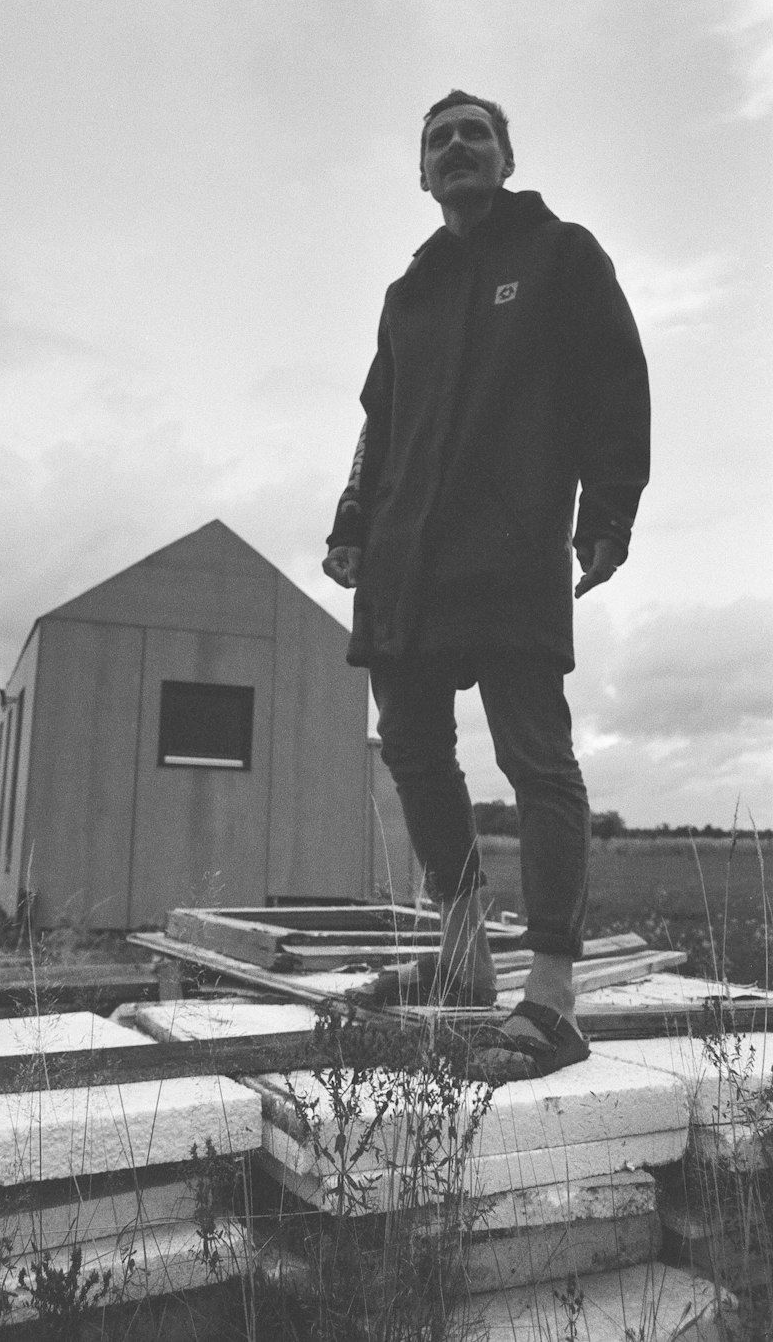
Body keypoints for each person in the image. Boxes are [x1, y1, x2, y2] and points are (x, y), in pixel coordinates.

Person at [323, 89, 650, 1080]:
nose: (456, 146)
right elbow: (378, 422)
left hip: (505, 548)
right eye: (438, 140)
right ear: (421, 176)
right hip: (402, 557)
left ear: (506, 158)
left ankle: (550, 999)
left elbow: (614, 377)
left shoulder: (560, 255)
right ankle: (460, 960)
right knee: (416, 753)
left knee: (533, 758)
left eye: (475, 134)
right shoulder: (405, 296)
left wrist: (608, 510)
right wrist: (349, 521)